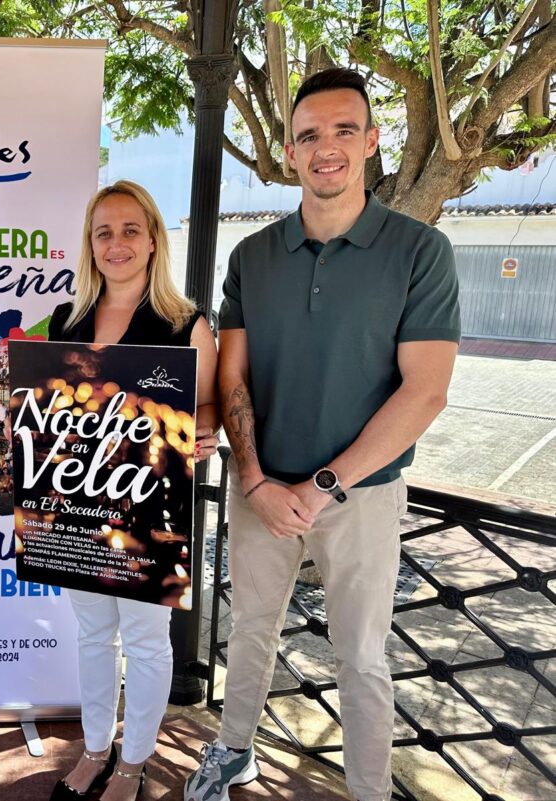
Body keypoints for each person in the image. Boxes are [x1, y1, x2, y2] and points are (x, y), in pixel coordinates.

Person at [185, 68, 459, 801]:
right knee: (249, 629)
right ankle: (232, 750)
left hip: (362, 495)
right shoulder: (252, 257)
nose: (325, 147)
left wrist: (322, 486)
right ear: (290, 151)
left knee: (361, 657)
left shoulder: (420, 251)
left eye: (344, 130)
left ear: (371, 141)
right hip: (261, 490)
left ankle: (369, 789)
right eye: (309, 135)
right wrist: (253, 479)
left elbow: (425, 390)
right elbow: (233, 378)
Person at [47, 180, 219, 801]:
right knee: (92, 634)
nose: (115, 243)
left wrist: (205, 432)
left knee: (145, 641)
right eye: (103, 232)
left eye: (129, 230)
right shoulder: (66, 320)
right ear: (90, 245)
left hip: (152, 508)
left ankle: (133, 762)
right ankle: (96, 749)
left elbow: (208, 405)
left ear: (151, 241)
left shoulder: (186, 323)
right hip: (80, 501)